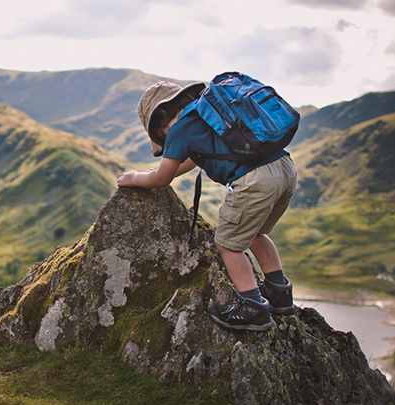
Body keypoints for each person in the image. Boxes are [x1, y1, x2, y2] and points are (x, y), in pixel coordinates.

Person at [117, 81, 298, 331]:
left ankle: (253, 307)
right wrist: (158, 170)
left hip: (255, 181)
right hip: (285, 169)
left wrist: (135, 177)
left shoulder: (180, 129)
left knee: (227, 245)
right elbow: (191, 159)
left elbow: (161, 178)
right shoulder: (207, 113)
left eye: (160, 135)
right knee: (256, 232)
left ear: (160, 117)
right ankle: (279, 292)